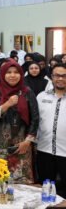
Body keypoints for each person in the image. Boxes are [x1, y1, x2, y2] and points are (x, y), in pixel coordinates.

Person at [0, 60, 39, 184]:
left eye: (16, 72)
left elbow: (35, 118)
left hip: (21, 145)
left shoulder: (27, 92)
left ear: (21, 74)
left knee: (21, 182)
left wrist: (27, 141)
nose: (12, 75)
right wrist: (7, 104)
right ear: (3, 74)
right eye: (9, 72)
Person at [36, 64, 66, 195]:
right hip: (44, 150)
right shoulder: (41, 97)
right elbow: (35, 121)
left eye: (64, 76)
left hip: (65, 151)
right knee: (45, 188)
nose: (60, 78)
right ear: (52, 77)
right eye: (57, 75)